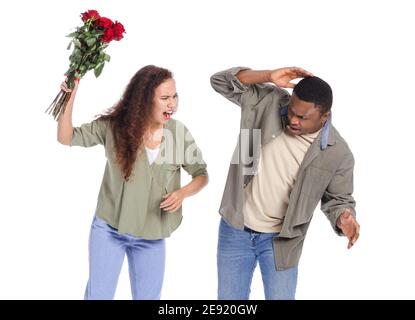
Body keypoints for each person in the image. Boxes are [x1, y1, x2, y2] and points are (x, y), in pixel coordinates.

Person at [57, 65, 208, 300]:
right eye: (165, 98)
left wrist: (182, 193)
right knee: (99, 296)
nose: (172, 104)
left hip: (151, 234)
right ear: (145, 100)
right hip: (109, 230)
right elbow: (66, 137)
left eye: (175, 96)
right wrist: (70, 94)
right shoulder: (114, 127)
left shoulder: (179, 133)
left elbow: (201, 174)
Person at [210, 66, 360, 300]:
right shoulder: (270, 102)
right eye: (292, 111)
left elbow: (338, 200)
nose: (293, 120)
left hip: (281, 242)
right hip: (235, 228)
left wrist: (344, 217)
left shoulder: (338, 153)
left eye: (303, 117)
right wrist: (267, 76)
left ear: (325, 116)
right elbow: (220, 81)